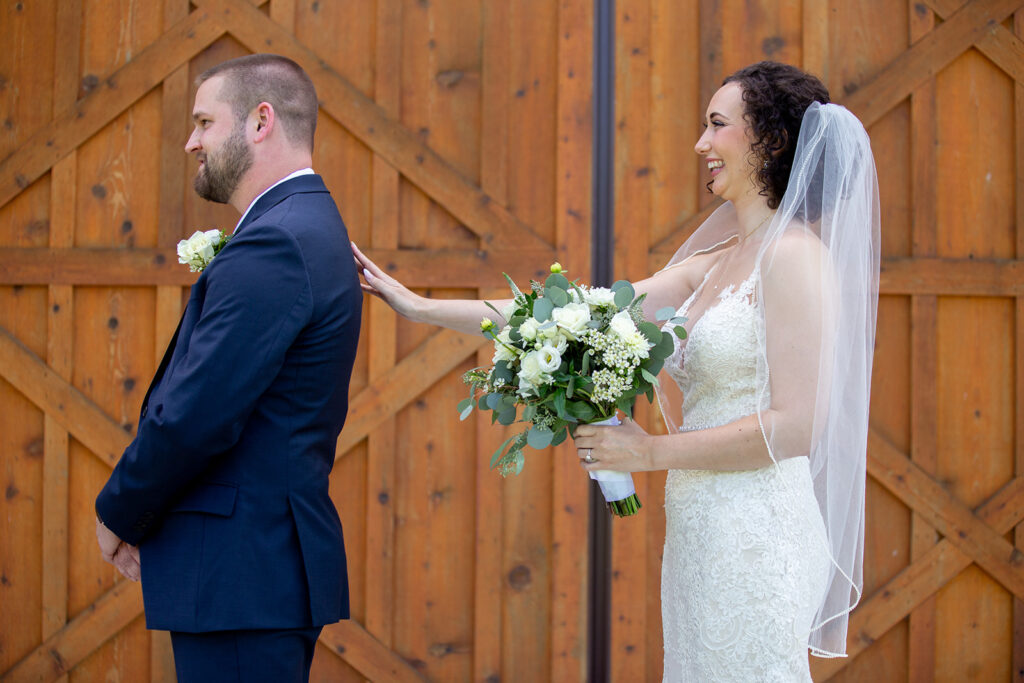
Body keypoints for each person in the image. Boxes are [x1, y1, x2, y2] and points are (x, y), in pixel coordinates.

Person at [353, 60, 879, 681]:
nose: (700, 144)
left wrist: (651, 453)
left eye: (716, 126)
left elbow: (795, 428)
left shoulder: (794, 259)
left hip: (759, 534)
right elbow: (573, 314)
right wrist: (420, 307)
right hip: (700, 526)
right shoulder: (715, 262)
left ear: (770, 140)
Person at [95, 54, 362, 682]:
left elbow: (195, 414)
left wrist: (118, 511)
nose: (192, 141)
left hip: (243, 573)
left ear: (260, 121)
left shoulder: (277, 241)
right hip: (255, 573)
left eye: (204, 122)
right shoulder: (298, 226)